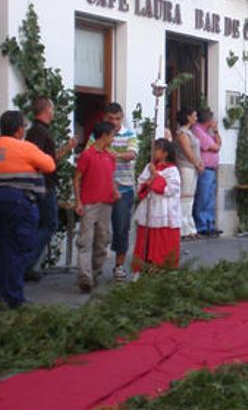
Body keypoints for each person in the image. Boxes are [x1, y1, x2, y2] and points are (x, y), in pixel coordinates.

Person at [0, 110, 56, 308]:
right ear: (18, 130)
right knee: (18, 249)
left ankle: (0, 296)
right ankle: (14, 298)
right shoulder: (24, 147)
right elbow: (49, 165)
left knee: (3, 249)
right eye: (24, 127)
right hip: (19, 201)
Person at [23, 97, 76, 282]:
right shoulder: (39, 133)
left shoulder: (38, 132)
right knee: (49, 224)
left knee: (42, 225)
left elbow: (49, 159)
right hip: (43, 186)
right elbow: (40, 162)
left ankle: (28, 265)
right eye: (52, 110)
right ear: (47, 110)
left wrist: (67, 148)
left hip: (41, 184)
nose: (53, 113)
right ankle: (26, 264)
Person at [87, 103, 138, 282]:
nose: (115, 123)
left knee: (121, 228)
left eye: (118, 119)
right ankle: (95, 268)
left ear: (122, 118)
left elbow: (132, 154)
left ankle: (119, 265)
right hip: (101, 189)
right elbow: (88, 154)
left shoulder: (129, 134)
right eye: (111, 119)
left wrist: (114, 154)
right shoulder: (96, 136)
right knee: (100, 231)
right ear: (105, 118)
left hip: (123, 188)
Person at [74, 121, 119, 293]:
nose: (113, 138)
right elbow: (77, 178)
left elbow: (110, 177)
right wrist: (78, 201)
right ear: (105, 136)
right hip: (90, 203)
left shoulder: (110, 157)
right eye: (112, 135)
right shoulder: (87, 155)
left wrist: (114, 191)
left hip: (106, 203)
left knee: (102, 240)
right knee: (86, 240)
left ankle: (94, 272)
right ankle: (85, 277)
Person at [133, 138, 182, 277]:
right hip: (149, 209)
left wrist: (155, 175)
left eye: (156, 149)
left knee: (162, 243)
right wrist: (146, 183)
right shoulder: (149, 166)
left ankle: (162, 272)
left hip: (164, 211)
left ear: (165, 153)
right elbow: (141, 184)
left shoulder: (172, 170)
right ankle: (141, 270)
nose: (153, 152)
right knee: (145, 241)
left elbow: (170, 189)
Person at [174, 107, 204, 240]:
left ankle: (190, 227)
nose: (196, 118)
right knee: (184, 197)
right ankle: (182, 229)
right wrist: (197, 163)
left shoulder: (190, 132)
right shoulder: (182, 133)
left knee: (190, 198)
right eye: (194, 115)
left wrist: (198, 163)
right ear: (188, 117)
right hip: (185, 166)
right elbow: (187, 151)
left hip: (192, 167)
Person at [193, 109, 223, 237]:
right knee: (203, 198)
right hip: (204, 169)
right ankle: (201, 225)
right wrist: (216, 142)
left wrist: (216, 131)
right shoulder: (198, 131)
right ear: (208, 120)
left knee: (210, 198)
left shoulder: (207, 132)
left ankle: (210, 224)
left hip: (211, 169)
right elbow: (215, 147)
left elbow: (219, 143)